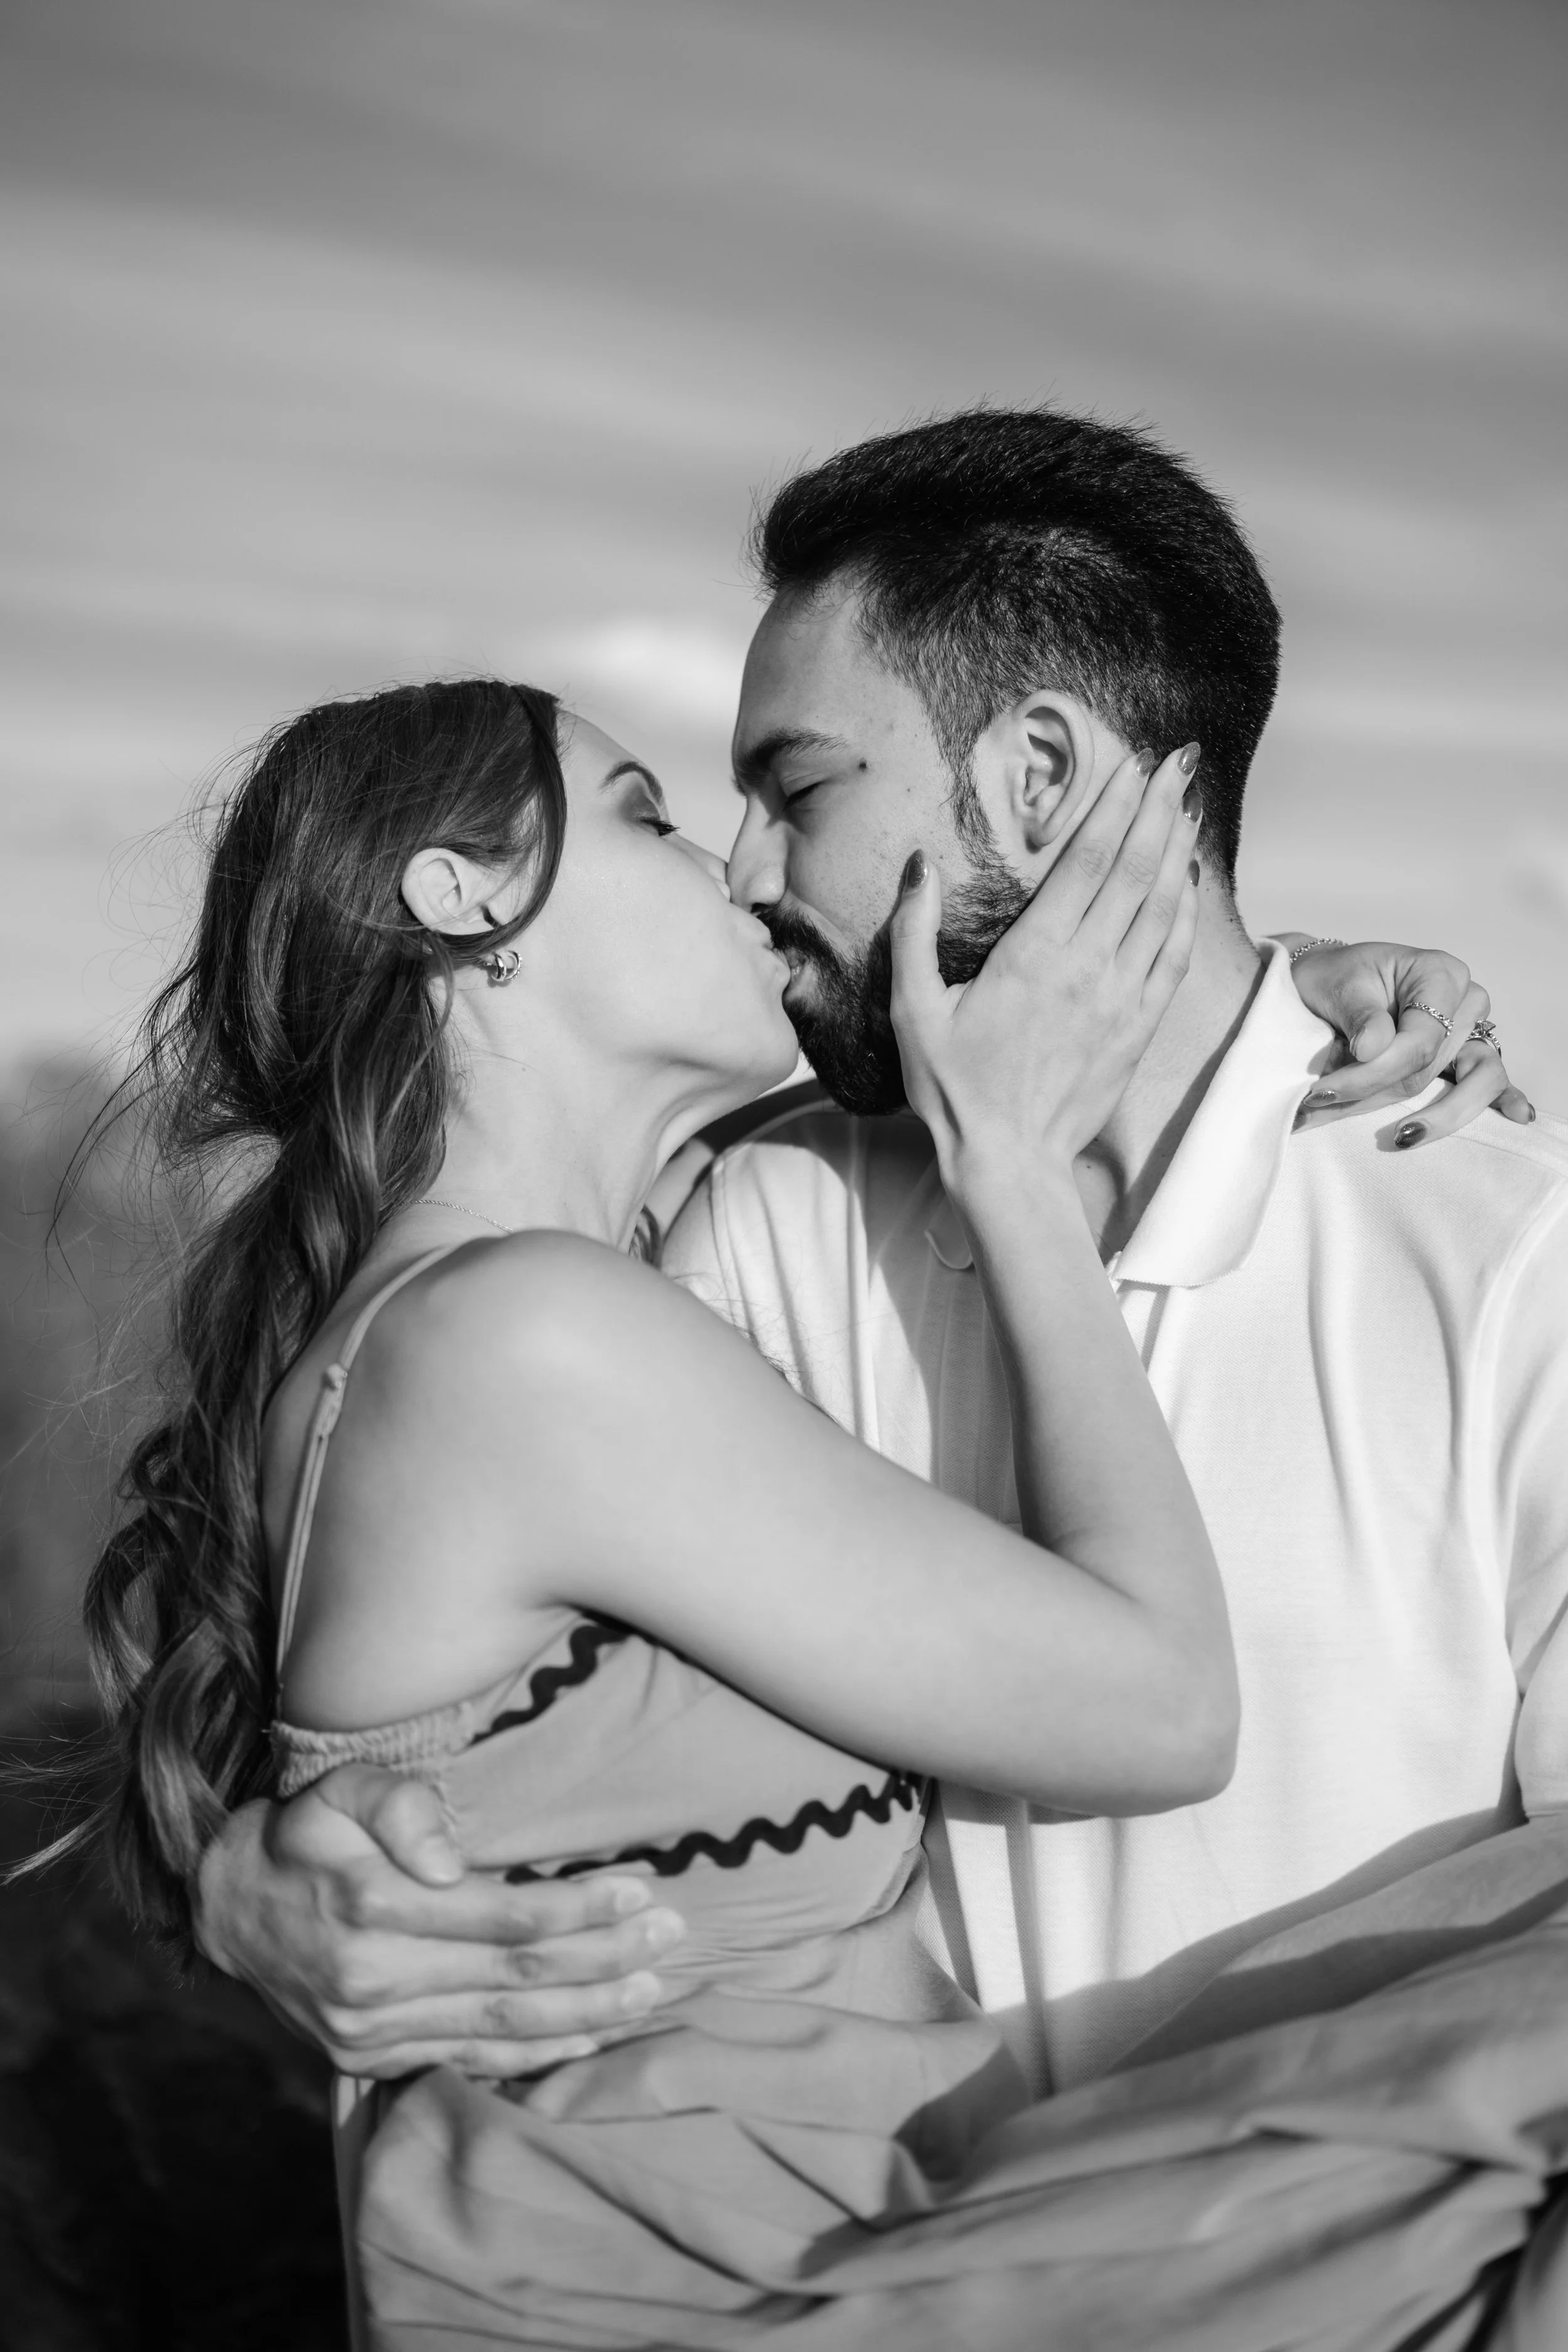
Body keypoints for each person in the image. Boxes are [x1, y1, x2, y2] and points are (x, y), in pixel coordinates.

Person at [65, 656, 1555, 2345]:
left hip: (801, 2261)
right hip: (716, 2301)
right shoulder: (525, 1338)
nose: (736, 870)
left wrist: (1275, 996)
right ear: (462, 895)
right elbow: (1155, 1700)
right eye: (644, 811)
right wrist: (1011, 1175)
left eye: (780, 799)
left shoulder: (551, 1303)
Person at [193, 411, 1557, 2116]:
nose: (747, 874)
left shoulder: (1510, 1257)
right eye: (685, 814)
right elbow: (447, 1666)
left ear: (1040, 779)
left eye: (796, 788)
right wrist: (254, 1871)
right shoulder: (756, 1231)